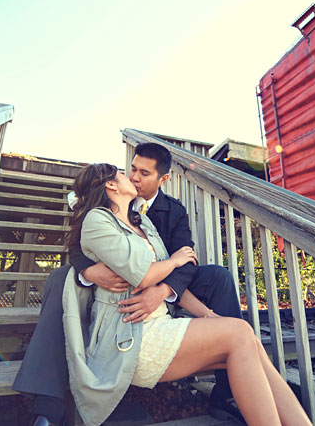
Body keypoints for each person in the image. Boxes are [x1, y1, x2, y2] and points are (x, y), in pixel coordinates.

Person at [61, 163, 312, 426]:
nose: (131, 176)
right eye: (123, 173)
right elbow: (143, 275)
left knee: (251, 341)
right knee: (239, 334)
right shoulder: (97, 220)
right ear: (111, 185)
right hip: (130, 336)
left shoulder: (142, 222)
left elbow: (166, 283)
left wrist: (208, 314)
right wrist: (175, 260)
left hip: (161, 325)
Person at [13, 143, 245, 425]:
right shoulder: (105, 204)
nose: (134, 177)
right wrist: (89, 270)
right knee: (61, 278)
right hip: (114, 281)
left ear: (163, 179)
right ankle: (48, 405)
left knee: (219, 276)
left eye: (144, 173)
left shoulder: (174, 210)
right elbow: (77, 244)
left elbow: (186, 258)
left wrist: (161, 292)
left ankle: (228, 392)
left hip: (163, 281)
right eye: (132, 169)